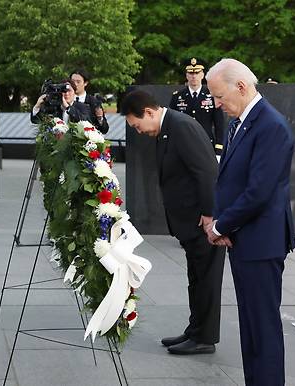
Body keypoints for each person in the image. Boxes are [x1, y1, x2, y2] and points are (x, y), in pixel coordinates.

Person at [204, 58, 295, 386]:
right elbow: (228, 178)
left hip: (261, 242)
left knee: (263, 328)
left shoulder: (270, 126)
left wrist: (220, 226)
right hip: (244, 239)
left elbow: (259, 192)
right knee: (251, 327)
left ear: (241, 87)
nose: (217, 104)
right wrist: (222, 221)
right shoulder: (238, 123)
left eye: (219, 96)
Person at [121, 90, 225, 355]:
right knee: (196, 277)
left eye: (137, 125)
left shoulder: (181, 127)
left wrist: (209, 214)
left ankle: (205, 337)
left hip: (202, 220)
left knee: (206, 279)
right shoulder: (168, 127)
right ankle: (195, 330)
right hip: (190, 220)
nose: (139, 131)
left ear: (149, 112)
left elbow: (206, 172)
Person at [169, 58, 227, 158]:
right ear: (187, 75)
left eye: (197, 73)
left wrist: (218, 149)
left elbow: (219, 124)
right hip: (184, 145)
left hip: (206, 144)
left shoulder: (211, 95)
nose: (194, 76)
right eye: (191, 73)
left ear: (202, 75)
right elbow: (171, 123)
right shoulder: (178, 97)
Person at [69, 68, 109, 133]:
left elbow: (104, 129)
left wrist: (100, 118)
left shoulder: (94, 102)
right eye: (72, 81)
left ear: (85, 83)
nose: (75, 84)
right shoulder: (64, 98)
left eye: (78, 82)